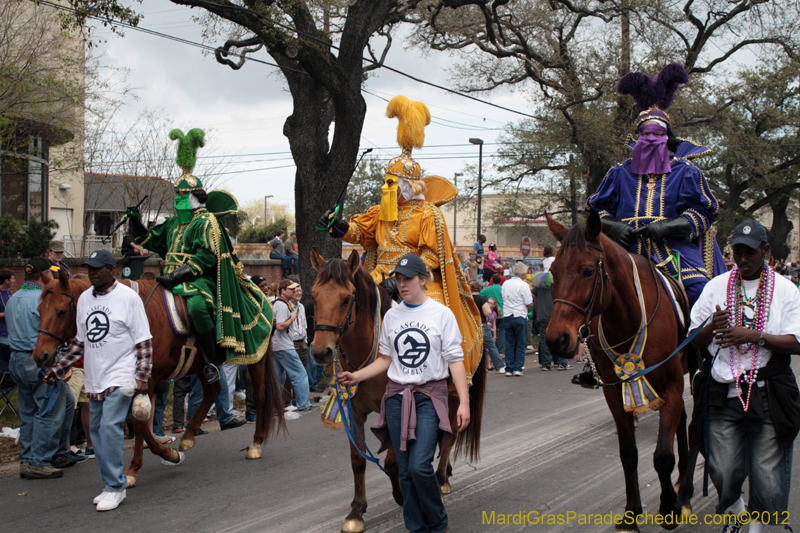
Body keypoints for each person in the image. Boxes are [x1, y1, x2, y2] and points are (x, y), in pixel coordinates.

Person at [576, 63, 726, 387]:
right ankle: (594, 362)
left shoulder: (686, 172)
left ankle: (706, 356)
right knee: (594, 294)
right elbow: (594, 210)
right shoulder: (620, 172)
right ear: (638, 137)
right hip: (629, 252)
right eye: (646, 133)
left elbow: (705, 213)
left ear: (667, 138)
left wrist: (669, 227)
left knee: (700, 290)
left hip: (674, 253)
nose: (652, 138)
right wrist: (614, 228)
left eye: (659, 134)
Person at [319, 95, 483, 385]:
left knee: (433, 314)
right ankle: (340, 369)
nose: (386, 188)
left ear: (408, 185)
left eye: (391, 183)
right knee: (345, 308)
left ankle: (444, 377)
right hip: (376, 276)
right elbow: (362, 233)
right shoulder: (382, 212)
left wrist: (401, 279)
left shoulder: (427, 214)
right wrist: (341, 226)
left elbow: (432, 255)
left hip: (418, 280)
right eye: (386, 182)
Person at [127, 127, 273, 385]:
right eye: (177, 195)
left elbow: (206, 257)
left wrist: (177, 275)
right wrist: (135, 221)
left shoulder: (205, 222)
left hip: (198, 281)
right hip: (170, 279)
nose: (178, 199)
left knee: (196, 307)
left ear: (194, 198)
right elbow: (148, 239)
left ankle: (210, 360)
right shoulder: (173, 225)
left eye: (183, 196)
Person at [338, 254, 470, 533]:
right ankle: (416, 527)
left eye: (408, 278)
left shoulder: (441, 313)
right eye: (398, 279)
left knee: (420, 466)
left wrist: (464, 403)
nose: (402, 284)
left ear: (423, 280)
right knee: (405, 471)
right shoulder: (393, 316)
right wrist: (355, 375)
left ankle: (438, 523)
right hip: (397, 398)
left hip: (429, 397)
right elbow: (385, 359)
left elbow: (455, 360)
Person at [689, 219, 800, 532]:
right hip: (724, 391)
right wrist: (712, 325)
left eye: (750, 252)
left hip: (769, 392)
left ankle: (755, 527)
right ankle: (736, 510)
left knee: (766, 472)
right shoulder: (715, 287)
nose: (743, 259)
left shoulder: (786, 290)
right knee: (721, 466)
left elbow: (797, 343)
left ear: (765, 250)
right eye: (737, 251)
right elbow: (692, 340)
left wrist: (753, 335)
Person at [44, 249, 153, 511]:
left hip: (121, 374)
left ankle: (115, 487)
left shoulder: (128, 298)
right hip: (95, 376)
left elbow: (143, 340)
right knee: (96, 432)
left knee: (109, 428)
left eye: (98, 268)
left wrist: (142, 375)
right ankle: (109, 482)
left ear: (111, 270)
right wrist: (59, 368)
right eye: (89, 269)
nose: (92, 273)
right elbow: (80, 341)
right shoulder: (83, 300)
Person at [7, 257, 67, 479]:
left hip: (16, 360)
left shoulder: (14, 298)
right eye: (49, 274)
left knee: (29, 413)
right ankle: (39, 461)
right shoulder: (42, 301)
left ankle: (27, 459)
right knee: (48, 412)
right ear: (44, 276)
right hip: (37, 363)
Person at [272, 279, 312, 412]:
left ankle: (275, 407)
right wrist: (292, 318)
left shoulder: (278, 304)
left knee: (278, 377)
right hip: (284, 346)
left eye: (295, 288)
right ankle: (304, 404)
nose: (294, 291)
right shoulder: (283, 306)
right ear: (283, 291)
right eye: (291, 289)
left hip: (277, 346)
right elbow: (280, 326)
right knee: (300, 374)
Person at [289, 282, 324, 393]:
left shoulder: (302, 307)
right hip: (309, 339)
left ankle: (316, 382)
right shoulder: (309, 307)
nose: (299, 293)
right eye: (296, 291)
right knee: (311, 365)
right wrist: (307, 338)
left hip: (316, 339)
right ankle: (311, 384)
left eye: (300, 291)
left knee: (319, 364)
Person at [501, 262, 533, 376]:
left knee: (509, 343)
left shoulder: (505, 283)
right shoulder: (523, 285)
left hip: (508, 315)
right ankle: (518, 367)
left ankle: (509, 368)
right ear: (523, 274)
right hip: (520, 315)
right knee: (520, 343)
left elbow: (503, 297)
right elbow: (529, 303)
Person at [470, 281, 504, 373]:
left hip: (469, 324)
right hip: (481, 324)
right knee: (491, 346)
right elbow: (488, 313)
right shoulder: (482, 299)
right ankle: (499, 366)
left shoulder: (467, 299)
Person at [481, 274, 505, 361]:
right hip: (502, 313)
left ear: (492, 280)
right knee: (501, 332)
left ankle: (492, 350)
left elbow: (480, 295)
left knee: (491, 332)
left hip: (491, 313)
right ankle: (500, 350)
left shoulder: (487, 289)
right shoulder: (502, 289)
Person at [0, 269, 15, 364]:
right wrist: (7, 313)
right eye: (12, 279)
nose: (14, 281)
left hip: (9, 331)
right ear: (6, 280)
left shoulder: (8, 292)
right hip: (1, 333)